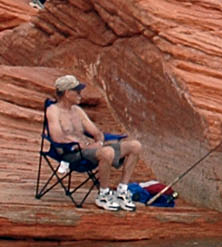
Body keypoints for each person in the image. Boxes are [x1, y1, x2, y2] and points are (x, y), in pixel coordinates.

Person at [44, 74, 146, 211]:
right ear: (67, 93)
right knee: (107, 153)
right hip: (70, 154)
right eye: (78, 91)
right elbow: (57, 137)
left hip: (90, 150)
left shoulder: (78, 111)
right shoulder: (53, 111)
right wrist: (84, 145)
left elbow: (96, 132)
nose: (81, 94)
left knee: (135, 146)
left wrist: (99, 141)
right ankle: (103, 195)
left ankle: (122, 191)